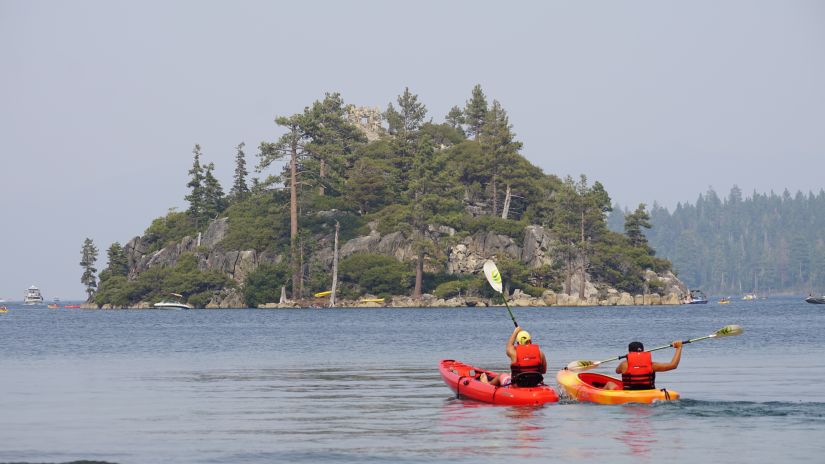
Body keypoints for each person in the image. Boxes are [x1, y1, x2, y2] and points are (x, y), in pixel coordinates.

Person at [480, 326, 547, 387]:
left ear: (518, 343)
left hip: (517, 384)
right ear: (530, 341)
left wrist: (516, 331)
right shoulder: (540, 353)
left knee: (501, 375)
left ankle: (487, 384)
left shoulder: (515, 354)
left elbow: (509, 347)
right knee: (510, 374)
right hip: (534, 383)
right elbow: (543, 371)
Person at [604, 340, 683, 390]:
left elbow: (617, 371)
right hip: (649, 392)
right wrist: (679, 348)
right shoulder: (652, 365)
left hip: (629, 393)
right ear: (643, 351)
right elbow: (673, 365)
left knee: (609, 384)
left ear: (629, 352)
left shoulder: (624, 364)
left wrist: (628, 359)